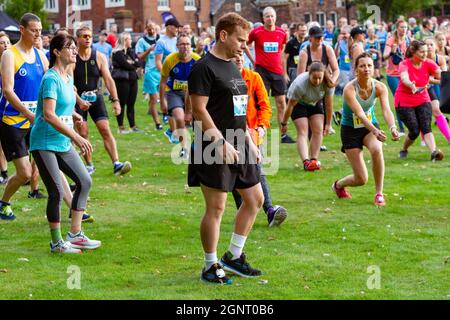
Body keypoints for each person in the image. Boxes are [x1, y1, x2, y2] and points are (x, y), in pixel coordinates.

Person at [188, 12, 263, 284]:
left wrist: (249, 142)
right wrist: (219, 142)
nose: (244, 45)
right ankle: (210, 265)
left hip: (239, 141)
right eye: (240, 39)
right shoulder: (203, 67)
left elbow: (239, 110)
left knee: (255, 200)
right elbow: (198, 110)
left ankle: (233, 257)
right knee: (216, 208)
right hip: (212, 144)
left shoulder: (233, 65)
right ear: (223, 35)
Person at [30, 33, 100, 253]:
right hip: (43, 142)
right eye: (69, 47)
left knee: (85, 181)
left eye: (74, 47)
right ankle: (57, 242)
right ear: (57, 52)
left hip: (61, 141)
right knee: (57, 191)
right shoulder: (50, 78)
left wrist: (75, 115)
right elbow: (49, 115)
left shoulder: (67, 77)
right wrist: (76, 136)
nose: (74, 51)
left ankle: (75, 234)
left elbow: (63, 105)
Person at [332, 53, 400, 206]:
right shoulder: (349, 89)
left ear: (374, 67)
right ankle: (338, 185)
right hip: (350, 130)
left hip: (370, 127)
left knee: (377, 149)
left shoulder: (380, 87)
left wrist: (393, 127)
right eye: (362, 66)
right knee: (361, 179)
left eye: (369, 65)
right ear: (356, 69)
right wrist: (375, 131)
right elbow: (360, 114)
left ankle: (379, 194)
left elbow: (387, 111)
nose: (366, 69)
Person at [0, 13, 49, 220]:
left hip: (35, 120)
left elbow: (50, 80)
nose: (38, 34)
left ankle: (76, 208)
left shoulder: (40, 55)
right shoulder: (9, 55)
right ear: (22, 30)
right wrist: (28, 113)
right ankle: (3, 202)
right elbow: (8, 91)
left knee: (50, 163)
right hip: (12, 121)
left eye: (40, 30)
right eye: (34, 30)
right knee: (25, 174)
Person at [231, 53, 287, 227]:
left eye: (241, 55)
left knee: (257, 169)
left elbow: (264, 105)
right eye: (234, 56)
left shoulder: (254, 77)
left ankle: (270, 210)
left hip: (253, 132)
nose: (239, 58)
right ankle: (244, 210)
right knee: (235, 171)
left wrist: (262, 126)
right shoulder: (223, 79)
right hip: (229, 132)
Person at [72, 25, 131, 176]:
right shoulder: (72, 57)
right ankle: (89, 165)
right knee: (83, 133)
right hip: (77, 99)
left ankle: (116, 163)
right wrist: (78, 101)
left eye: (90, 36)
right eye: (84, 36)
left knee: (105, 129)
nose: (87, 38)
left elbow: (109, 80)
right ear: (77, 39)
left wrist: (116, 100)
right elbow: (69, 84)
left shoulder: (99, 56)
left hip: (95, 97)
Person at [245, 7, 295, 144]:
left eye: (272, 16)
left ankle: (284, 135)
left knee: (281, 103)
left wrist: (279, 60)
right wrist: (253, 60)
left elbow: (283, 47)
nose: (270, 19)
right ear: (263, 18)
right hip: (262, 72)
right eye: (267, 16)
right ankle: (257, 132)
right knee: (260, 103)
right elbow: (245, 44)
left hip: (278, 72)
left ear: (276, 17)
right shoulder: (256, 32)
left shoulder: (281, 33)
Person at [395, 40, 444, 161]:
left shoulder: (428, 63)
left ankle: (434, 152)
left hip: (423, 99)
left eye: (426, 51)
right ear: (413, 51)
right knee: (414, 131)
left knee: (426, 127)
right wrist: (411, 85)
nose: (424, 54)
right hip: (404, 101)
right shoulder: (404, 64)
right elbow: (404, 78)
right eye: (421, 52)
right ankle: (404, 149)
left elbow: (440, 74)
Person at [283, 62, 333, 171]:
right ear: (308, 74)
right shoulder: (300, 85)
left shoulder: (327, 83)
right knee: (303, 131)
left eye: (320, 78)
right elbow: (290, 106)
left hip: (314, 102)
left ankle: (314, 160)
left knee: (318, 130)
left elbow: (328, 105)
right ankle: (306, 162)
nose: (317, 81)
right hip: (297, 104)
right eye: (314, 78)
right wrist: (284, 123)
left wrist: (328, 124)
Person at [159, 34, 200, 159]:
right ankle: (184, 148)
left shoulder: (197, 60)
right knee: (179, 118)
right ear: (177, 46)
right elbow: (163, 81)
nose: (185, 47)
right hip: (174, 93)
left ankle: (198, 147)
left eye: (187, 44)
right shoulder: (170, 60)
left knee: (197, 120)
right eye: (182, 44)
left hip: (192, 93)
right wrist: (162, 101)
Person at [155, 18, 180, 144]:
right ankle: (173, 131)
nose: (177, 30)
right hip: (168, 78)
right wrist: (165, 73)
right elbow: (158, 60)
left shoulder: (178, 41)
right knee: (172, 105)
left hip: (180, 77)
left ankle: (173, 130)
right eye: (176, 27)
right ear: (169, 27)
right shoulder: (161, 42)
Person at [383, 19, 410, 135]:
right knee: (399, 100)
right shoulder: (391, 40)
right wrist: (391, 52)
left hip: (405, 74)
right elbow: (384, 56)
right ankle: (401, 128)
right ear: (397, 28)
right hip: (393, 75)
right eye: (401, 27)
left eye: (405, 27)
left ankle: (409, 124)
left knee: (408, 99)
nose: (404, 30)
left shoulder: (409, 40)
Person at [112, 33, 141, 134]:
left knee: (131, 104)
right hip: (122, 81)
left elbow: (139, 63)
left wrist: (132, 63)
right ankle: (121, 127)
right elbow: (125, 65)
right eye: (128, 39)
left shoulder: (131, 51)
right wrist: (132, 63)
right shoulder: (118, 53)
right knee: (121, 104)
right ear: (124, 41)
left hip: (133, 80)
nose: (131, 41)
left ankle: (133, 126)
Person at [136, 21, 162, 130]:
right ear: (146, 29)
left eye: (153, 28)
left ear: (156, 29)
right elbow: (139, 57)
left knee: (164, 97)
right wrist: (149, 50)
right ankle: (157, 123)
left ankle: (165, 117)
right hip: (150, 72)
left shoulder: (161, 39)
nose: (151, 30)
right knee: (154, 99)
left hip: (161, 71)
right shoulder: (142, 41)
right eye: (149, 29)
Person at [425, 37, 450, 144]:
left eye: (431, 44)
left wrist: (432, 79)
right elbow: (423, 78)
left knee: (436, 109)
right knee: (426, 112)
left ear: (435, 46)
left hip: (434, 85)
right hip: (421, 87)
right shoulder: (422, 59)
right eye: (427, 45)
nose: (429, 47)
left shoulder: (439, 59)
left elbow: (443, 76)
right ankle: (424, 137)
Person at [0, 32, 10, 184]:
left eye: (8, 42)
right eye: (2, 43)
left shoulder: (12, 61)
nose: (6, 44)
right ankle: (5, 173)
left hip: (11, 108)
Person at [335, 25, 352, 96]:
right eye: (342, 34)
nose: (343, 36)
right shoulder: (339, 43)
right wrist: (338, 43)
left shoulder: (352, 42)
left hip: (352, 67)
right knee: (345, 85)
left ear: (350, 34)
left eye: (345, 33)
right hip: (343, 68)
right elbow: (336, 54)